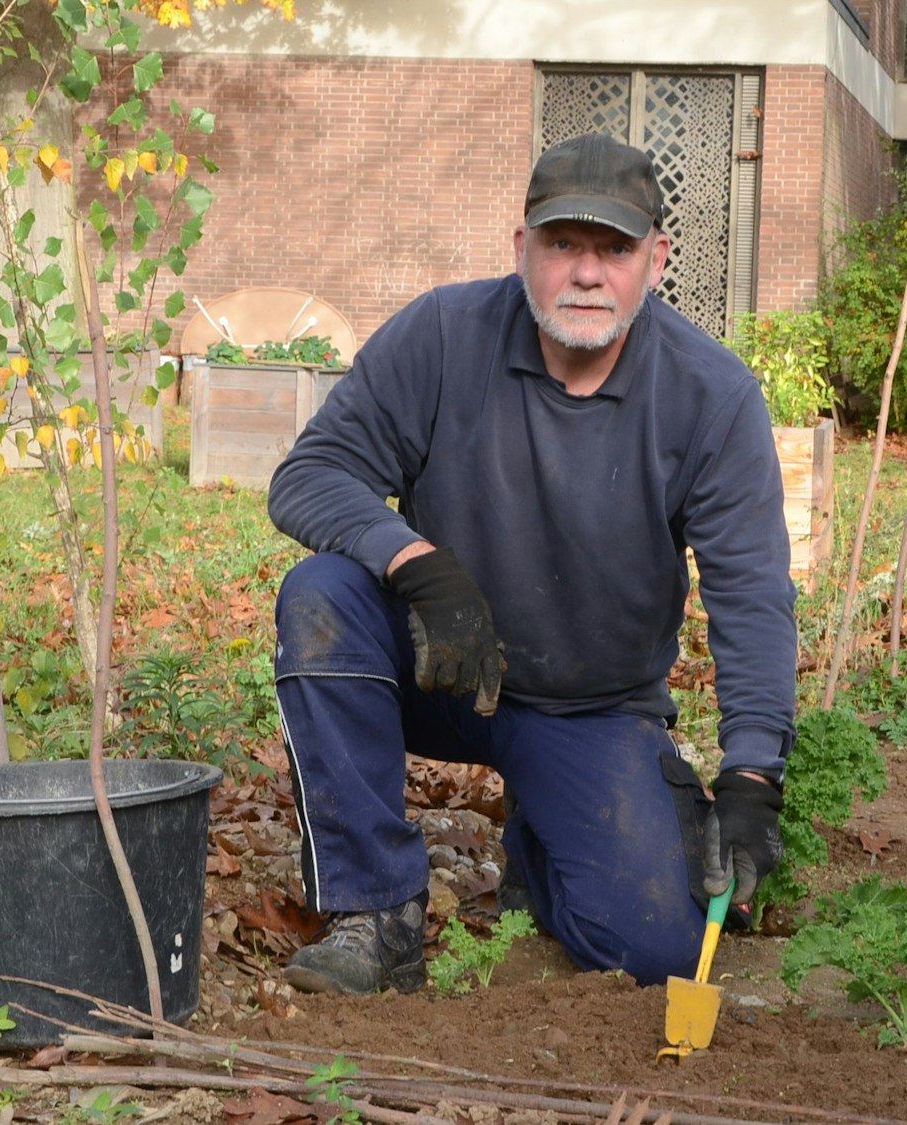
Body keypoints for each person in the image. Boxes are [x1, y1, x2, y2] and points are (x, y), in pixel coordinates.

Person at [264, 134, 798, 995]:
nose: (587, 273)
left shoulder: (712, 395)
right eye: (563, 245)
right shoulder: (442, 336)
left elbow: (753, 595)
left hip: (588, 706)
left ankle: (541, 842)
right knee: (321, 596)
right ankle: (377, 911)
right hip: (440, 664)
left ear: (655, 261)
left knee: (654, 944)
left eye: (614, 249)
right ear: (523, 250)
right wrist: (416, 562)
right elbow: (310, 474)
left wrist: (750, 775)